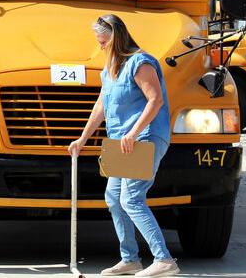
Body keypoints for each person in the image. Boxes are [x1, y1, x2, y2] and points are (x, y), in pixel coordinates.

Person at [68, 14, 177, 277]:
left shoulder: (140, 62)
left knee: (131, 198)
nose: (100, 46)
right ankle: (130, 259)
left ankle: (164, 260)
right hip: (120, 141)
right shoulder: (110, 70)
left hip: (143, 137)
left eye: (103, 41)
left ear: (115, 38)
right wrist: (82, 139)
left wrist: (133, 132)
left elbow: (155, 101)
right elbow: (101, 106)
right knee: (114, 198)